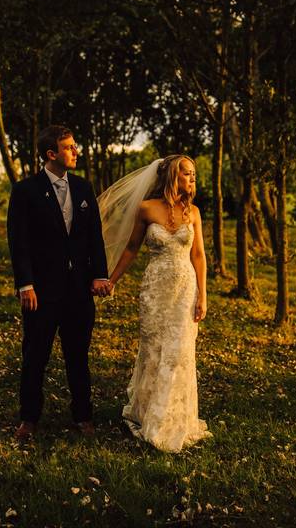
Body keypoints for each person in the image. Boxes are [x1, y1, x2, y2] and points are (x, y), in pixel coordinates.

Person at [6, 125, 111, 441]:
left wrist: (100, 274)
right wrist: (26, 284)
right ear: (52, 154)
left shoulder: (83, 188)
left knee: (78, 355)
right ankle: (29, 418)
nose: (75, 151)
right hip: (41, 291)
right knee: (35, 355)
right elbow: (18, 242)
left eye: (74, 146)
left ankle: (83, 415)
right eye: (69, 147)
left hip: (79, 289)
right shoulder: (25, 191)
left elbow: (95, 237)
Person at [102, 155, 212, 452]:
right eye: (187, 173)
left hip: (185, 288)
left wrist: (203, 294)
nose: (192, 179)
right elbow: (132, 248)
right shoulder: (146, 208)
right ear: (173, 175)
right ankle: (147, 412)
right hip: (155, 289)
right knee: (153, 350)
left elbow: (199, 256)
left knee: (179, 350)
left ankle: (172, 419)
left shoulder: (194, 213)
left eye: (194, 174)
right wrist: (112, 280)